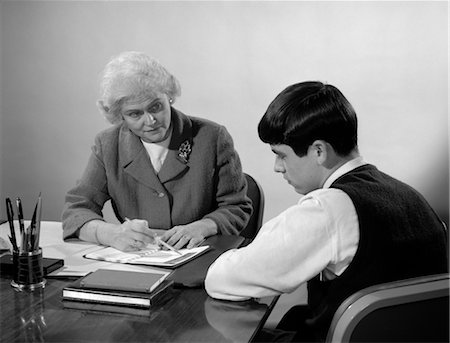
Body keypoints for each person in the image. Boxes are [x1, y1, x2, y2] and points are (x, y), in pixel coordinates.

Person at [205, 81, 448, 342]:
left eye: (281, 155)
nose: (277, 167)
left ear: (319, 151)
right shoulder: (410, 196)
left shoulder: (329, 208)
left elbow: (222, 279)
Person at [62, 51, 252, 252]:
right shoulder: (107, 144)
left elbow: (237, 207)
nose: (150, 121)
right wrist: (110, 234)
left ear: (169, 96)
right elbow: (76, 211)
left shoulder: (212, 137)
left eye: (156, 107)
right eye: (135, 114)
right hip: (138, 260)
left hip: (202, 254)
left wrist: (202, 227)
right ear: (120, 117)